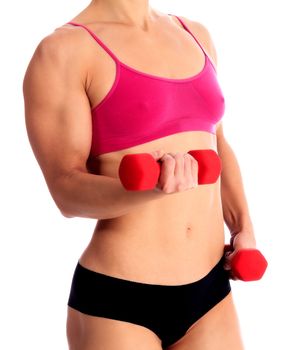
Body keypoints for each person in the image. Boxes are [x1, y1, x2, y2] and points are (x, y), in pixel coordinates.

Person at [23, 0, 257, 349]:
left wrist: (244, 229)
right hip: (120, 300)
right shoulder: (64, 51)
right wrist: (151, 190)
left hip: (211, 290)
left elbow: (218, 142)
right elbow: (66, 191)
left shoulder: (195, 34)